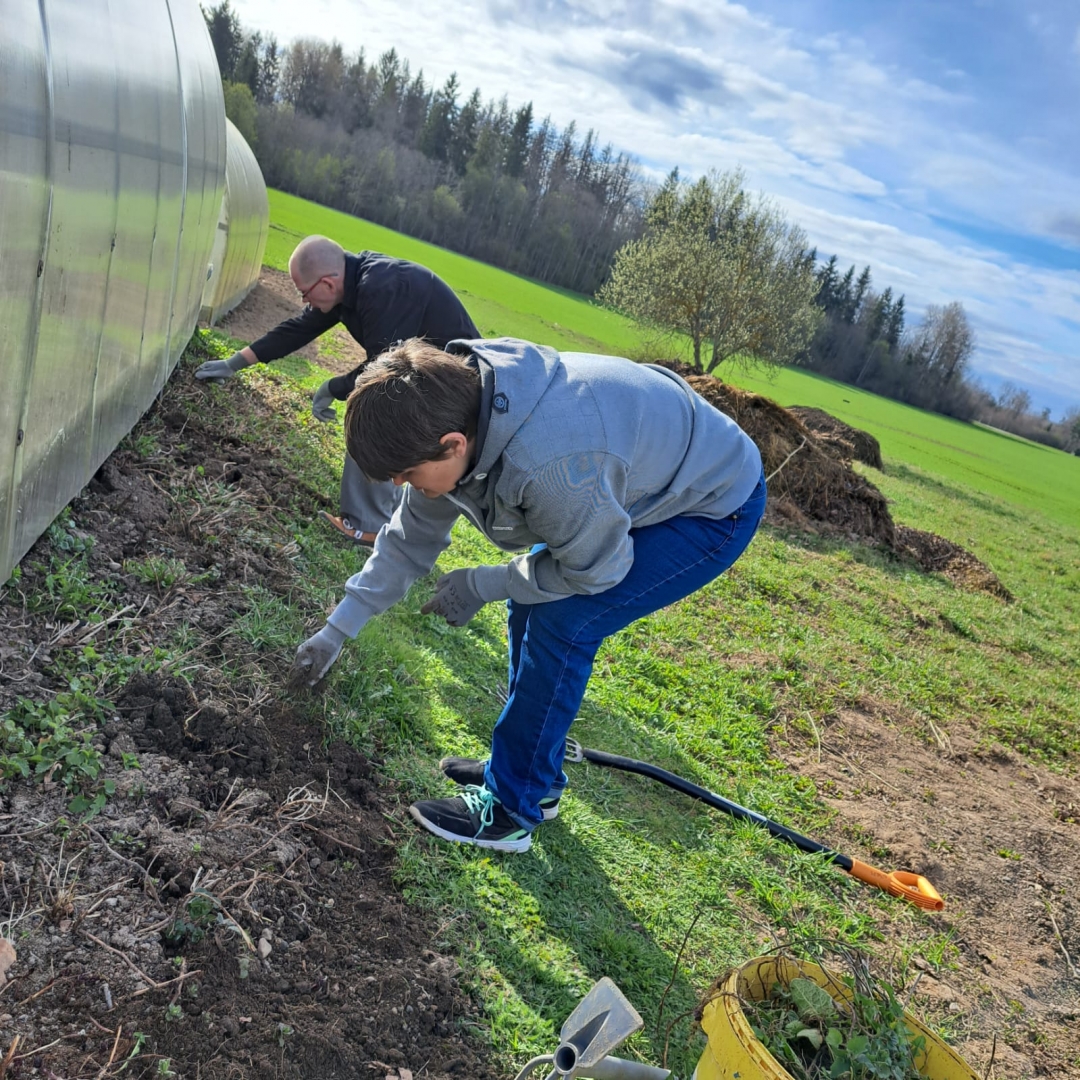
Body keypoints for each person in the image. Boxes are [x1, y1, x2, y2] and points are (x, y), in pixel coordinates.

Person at [290, 337, 766, 854]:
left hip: (710, 502)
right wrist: (335, 631)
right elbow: (407, 542)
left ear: (454, 445)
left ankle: (512, 809)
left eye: (408, 476)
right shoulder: (450, 413)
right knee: (535, 600)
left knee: (563, 622)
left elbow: (594, 572)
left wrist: (482, 583)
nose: (405, 486)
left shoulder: (551, 466)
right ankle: (534, 772)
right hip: (625, 471)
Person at [194, 236, 479, 545]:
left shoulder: (383, 288)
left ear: (328, 284)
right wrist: (233, 363)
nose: (305, 302)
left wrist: (333, 387)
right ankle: (387, 519)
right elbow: (296, 330)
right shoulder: (349, 288)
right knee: (384, 408)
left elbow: (382, 370)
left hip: (458, 385)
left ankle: (369, 526)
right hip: (430, 380)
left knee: (373, 415)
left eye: (304, 293)